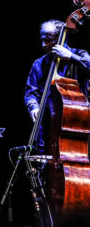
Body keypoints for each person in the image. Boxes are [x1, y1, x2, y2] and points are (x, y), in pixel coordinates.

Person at [24, 19, 90, 153]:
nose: (44, 44)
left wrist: (71, 57)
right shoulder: (39, 64)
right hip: (47, 126)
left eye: (49, 40)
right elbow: (31, 92)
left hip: (77, 125)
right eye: (42, 40)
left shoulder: (80, 55)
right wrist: (33, 107)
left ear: (61, 38)